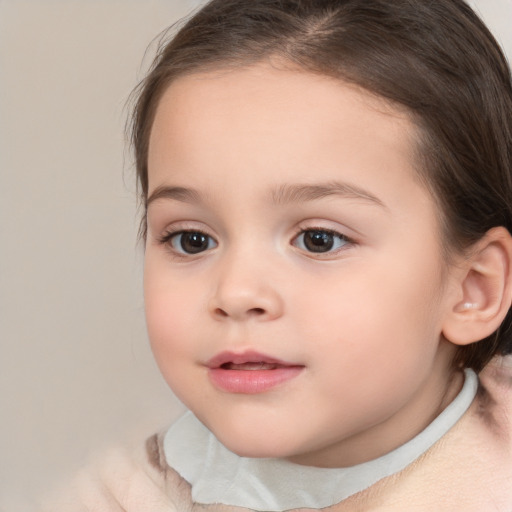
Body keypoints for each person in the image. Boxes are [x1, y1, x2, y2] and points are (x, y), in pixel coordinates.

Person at [42, 0, 512, 510]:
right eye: (191, 239)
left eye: (319, 239)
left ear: (473, 288)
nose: (237, 292)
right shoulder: (114, 495)